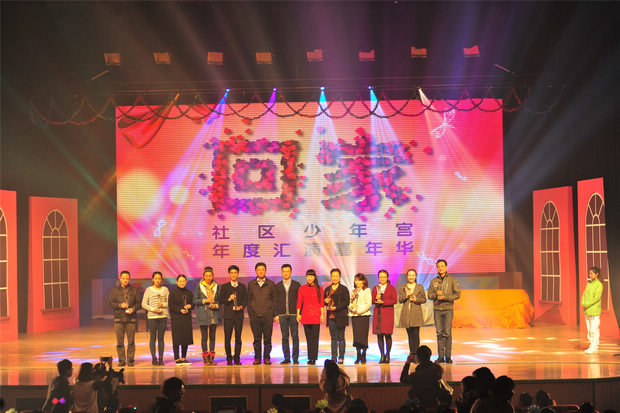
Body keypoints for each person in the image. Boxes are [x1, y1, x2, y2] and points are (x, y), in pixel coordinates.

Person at [427, 259, 460, 363]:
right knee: (439, 333)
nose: (440, 268)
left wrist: (446, 297)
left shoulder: (452, 279)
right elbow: (429, 295)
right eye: (438, 266)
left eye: (442, 266)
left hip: (448, 309)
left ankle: (448, 356)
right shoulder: (434, 281)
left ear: (446, 267)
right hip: (437, 310)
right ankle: (441, 356)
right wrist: (436, 295)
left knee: (448, 333)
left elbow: (457, 294)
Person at [107, 270, 140, 367]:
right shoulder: (114, 291)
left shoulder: (134, 290)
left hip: (131, 319)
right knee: (120, 342)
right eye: (123, 278)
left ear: (129, 279)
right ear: (120, 278)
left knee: (131, 341)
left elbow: (138, 304)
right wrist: (120, 305)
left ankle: (130, 360)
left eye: (127, 278)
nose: (125, 280)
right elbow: (110, 303)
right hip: (118, 319)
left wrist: (133, 309)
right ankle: (121, 360)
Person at [247, 262, 276, 365]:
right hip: (255, 316)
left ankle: (267, 358)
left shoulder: (271, 284)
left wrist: (273, 314)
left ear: (265, 271)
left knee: (267, 339)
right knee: (257, 339)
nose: (261, 271)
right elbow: (248, 300)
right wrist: (251, 314)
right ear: (256, 271)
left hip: (267, 316)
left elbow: (274, 300)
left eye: (262, 269)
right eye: (259, 269)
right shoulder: (251, 284)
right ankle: (257, 358)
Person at [399, 345, 445, 410]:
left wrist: (408, 362)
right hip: (434, 404)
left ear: (418, 358)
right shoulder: (436, 369)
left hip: (420, 406)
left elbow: (403, 380)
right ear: (430, 355)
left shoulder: (417, 375)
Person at [273, 263, 301, 365]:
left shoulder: (297, 285)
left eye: (287, 271)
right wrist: (276, 314)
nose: (286, 273)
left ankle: (295, 358)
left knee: (295, 337)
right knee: (285, 337)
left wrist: (299, 313)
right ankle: (286, 358)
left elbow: (300, 300)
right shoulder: (278, 286)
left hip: (294, 314)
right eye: (284, 271)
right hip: (282, 315)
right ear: (281, 272)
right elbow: (275, 301)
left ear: (291, 272)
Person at [219, 264, 247, 365]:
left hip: (239, 315)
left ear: (238, 273)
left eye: (235, 272)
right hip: (228, 316)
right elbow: (221, 300)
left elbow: (245, 300)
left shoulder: (242, 286)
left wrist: (241, 306)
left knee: (238, 338)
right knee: (227, 338)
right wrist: (229, 299)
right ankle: (229, 358)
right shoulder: (225, 286)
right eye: (231, 273)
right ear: (229, 274)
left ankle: (237, 358)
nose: (233, 274)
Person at [193, 266, 221, 365]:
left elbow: (219, 300)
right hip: (203, 314)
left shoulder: (216, 286)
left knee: (212, 337)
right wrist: (204, 300)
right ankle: (205, 357)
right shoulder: (199, 286)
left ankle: (212, 357)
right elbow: (194, 300)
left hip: (213, 314)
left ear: (213, 276)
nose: (208, 277)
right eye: (206, 276)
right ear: (203, 276)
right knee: (204, 337)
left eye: (210, 276)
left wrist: (216, 305)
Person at [297, 269, 324, 365]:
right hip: (305, 315)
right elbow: (299, 302)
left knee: (315, 338)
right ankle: (310, 357)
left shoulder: (319, 288)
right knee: (308, 338)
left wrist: (322, 315)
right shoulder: (302, 288)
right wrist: (298, 314)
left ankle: (314, 358)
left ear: (314, 277)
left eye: (311, 276)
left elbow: (321, 303)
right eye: (308, 276)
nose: (309, 278)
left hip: (316, 315)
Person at [142, 271, 170, 366]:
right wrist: (153, 309)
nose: (157, 280)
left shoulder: (165, 289)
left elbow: (169, 302)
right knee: (153, 338)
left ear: (161, 280)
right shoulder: (148, 290)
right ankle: (154, 358)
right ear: (153, 279)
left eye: (159, 278)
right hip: (152, 317)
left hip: (163, 316)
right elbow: (143, 304)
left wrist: (163, 304)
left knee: (161, 338)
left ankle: (161, 358)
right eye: (156, 278)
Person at [398, 269, 427, 357]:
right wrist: (406, 295)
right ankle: (412, 353)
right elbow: (400, 300)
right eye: (409, 275)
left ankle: (416, 354)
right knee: (410, 335)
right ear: (407, 276)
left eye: (413, 275)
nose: (411, 277)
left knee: (416, 335)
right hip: (406, 313)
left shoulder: (419, 287)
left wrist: (416, 299)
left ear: (415, 276)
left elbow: (424, 299)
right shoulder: (403, 287)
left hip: (416, 314)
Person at [324, 268, 350, 364]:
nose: (334, 278)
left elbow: (346, 302)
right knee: (333, 338)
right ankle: (334, 357)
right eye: (333, 276)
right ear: (331, 277)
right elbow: (325, 302)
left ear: (339, 277)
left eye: (336, 276)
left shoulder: (343, 289)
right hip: (331, 317)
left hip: (341, 316)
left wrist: (336, 308)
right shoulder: (327, 289)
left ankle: (341, 357)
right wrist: (325, 301)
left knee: (341, 337)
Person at [372, 269, 397, 363]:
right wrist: (375, 299)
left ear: (387, 277)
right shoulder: (375, 288)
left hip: (387, 314)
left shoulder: (391, 288)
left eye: (384, 277)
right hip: (378, 313)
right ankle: (382, 355)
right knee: (379, 336)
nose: (382, 278)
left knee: (387, 335)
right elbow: (372, 300)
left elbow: (394, 300)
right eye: (380, 277)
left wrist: (383, 302)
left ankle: (388, 355)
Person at [168, 274, 194, 365]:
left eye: (183, 281)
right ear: (177, 282)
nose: (182, 283)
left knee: (185, 338)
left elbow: (193, 303)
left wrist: (190, 306)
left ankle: (183, 358)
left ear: (186, 282)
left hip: (186, 318)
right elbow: (171, 305)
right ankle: (177, 358)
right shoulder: (173, 292)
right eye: (180, 281)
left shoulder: (189, 293)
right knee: (177, 338)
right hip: (177, 318)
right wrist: (179, 310)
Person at [348, 273, 372, 364]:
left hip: (364, 315)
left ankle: (364, 354)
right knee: (357, 336)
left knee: (363, 336)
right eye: (356, 280)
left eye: (359, 280)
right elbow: (350, 303)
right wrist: (352, 308)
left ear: (363, 281)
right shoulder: (353, 291)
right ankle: (358, 355)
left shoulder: (367, 290)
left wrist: (359, 311)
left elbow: (368, 304)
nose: (357, 282)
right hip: (354, 316)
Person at [581, 266, 603, 354]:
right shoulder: (589, 283)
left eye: (591, 274)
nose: (590, 275)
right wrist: (583, 303)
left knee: (594, 330)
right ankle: (592, 345)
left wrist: (586, 304)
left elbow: (596, 298)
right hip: (587, 310)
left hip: (594, 311)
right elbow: (584, 294)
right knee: (589, 330)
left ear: (596, 274)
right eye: (589, 273)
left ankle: (594, 346)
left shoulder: (599, 285)